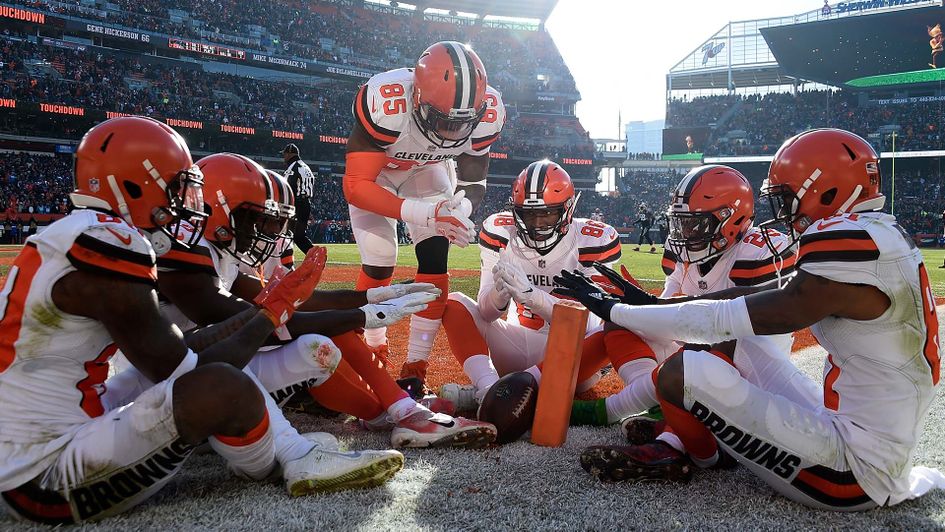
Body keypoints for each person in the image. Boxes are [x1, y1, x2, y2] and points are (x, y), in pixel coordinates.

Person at [0, 117, 402, 525]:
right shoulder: (108, 242)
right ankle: (292, 457)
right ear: (136, 184)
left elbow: (181, 350)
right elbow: (185, 367)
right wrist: (270, 314)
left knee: (212, 370)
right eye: (177, 187)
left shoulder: (82, 233)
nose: (186, 202)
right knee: (223, 384)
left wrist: (270, 313)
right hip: (38, 473)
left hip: (56, 422)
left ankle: (279, 445)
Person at [557, 129, 944, 511]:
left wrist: (619, 312)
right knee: (742, 345)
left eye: (788, 198)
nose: (783, 211)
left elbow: (736, 316)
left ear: (826, 190)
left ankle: (706, 455)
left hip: (854, 473)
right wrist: (649, 306)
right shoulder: (880, 234)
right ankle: (694, 437)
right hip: (863, 432)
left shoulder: (845, 238)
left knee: (685, 371)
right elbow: (751, 297)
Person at [156, 152, 497, 448]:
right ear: (220, 209)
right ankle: (393, 412)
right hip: (174, 385)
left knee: (322, 340)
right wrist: (364, 316)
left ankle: (394, 410)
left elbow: (293, 305)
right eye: (256, 220)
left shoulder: (217, 253)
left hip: (208, 366)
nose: (268, 233)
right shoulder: (183, 251)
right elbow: (266, 322)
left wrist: (373, 295)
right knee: (318, 346)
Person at [568, 166, 813, 482]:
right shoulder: (686, 253)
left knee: (708, 347)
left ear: (731, 219)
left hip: (749, 369)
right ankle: (658, 410)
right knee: (621, 326)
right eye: (679, 222)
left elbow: (729, 329)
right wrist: (630, 309)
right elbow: (665, 315)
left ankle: (657, 435)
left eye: (694, 224)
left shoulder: (759, 251)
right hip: (697, 354)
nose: (683, 233)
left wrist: (639, 310)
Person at [343, 41, 506, 392]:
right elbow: (357, 186)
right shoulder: (388, 102)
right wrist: (424, 213)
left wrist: (460, 208)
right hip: (380, 175)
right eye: (443, 120)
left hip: (428, 173)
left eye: (463, 123)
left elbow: (474, 182)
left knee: (435, 256)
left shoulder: (488, 111)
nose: (452, 132)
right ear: (417, 98)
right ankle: (373, 348)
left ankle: (417, 364)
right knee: (380, 259)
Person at [439, 161, 619, 409]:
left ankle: (508, 390)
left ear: (567, 209)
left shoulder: (593, 239)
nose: (538, 224)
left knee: (617, 324)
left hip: (571, 356)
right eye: (529, 214)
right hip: (515, 342)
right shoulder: (500, 232)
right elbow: (486, 313)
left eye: (547, 213)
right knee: (453, 303)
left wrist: (531, 296)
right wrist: (498, 295)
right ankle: (490, 388)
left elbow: (589, 322)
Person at [282, 144, 315, 253]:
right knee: (299, 236)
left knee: (283, 234)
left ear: (289, 154)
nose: (284, 157)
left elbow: (286, 187)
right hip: (305, 203)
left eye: (285, 154)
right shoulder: (306, 167)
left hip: (296, 204)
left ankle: (284, 262)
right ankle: (315, 255)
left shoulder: (293, 167)